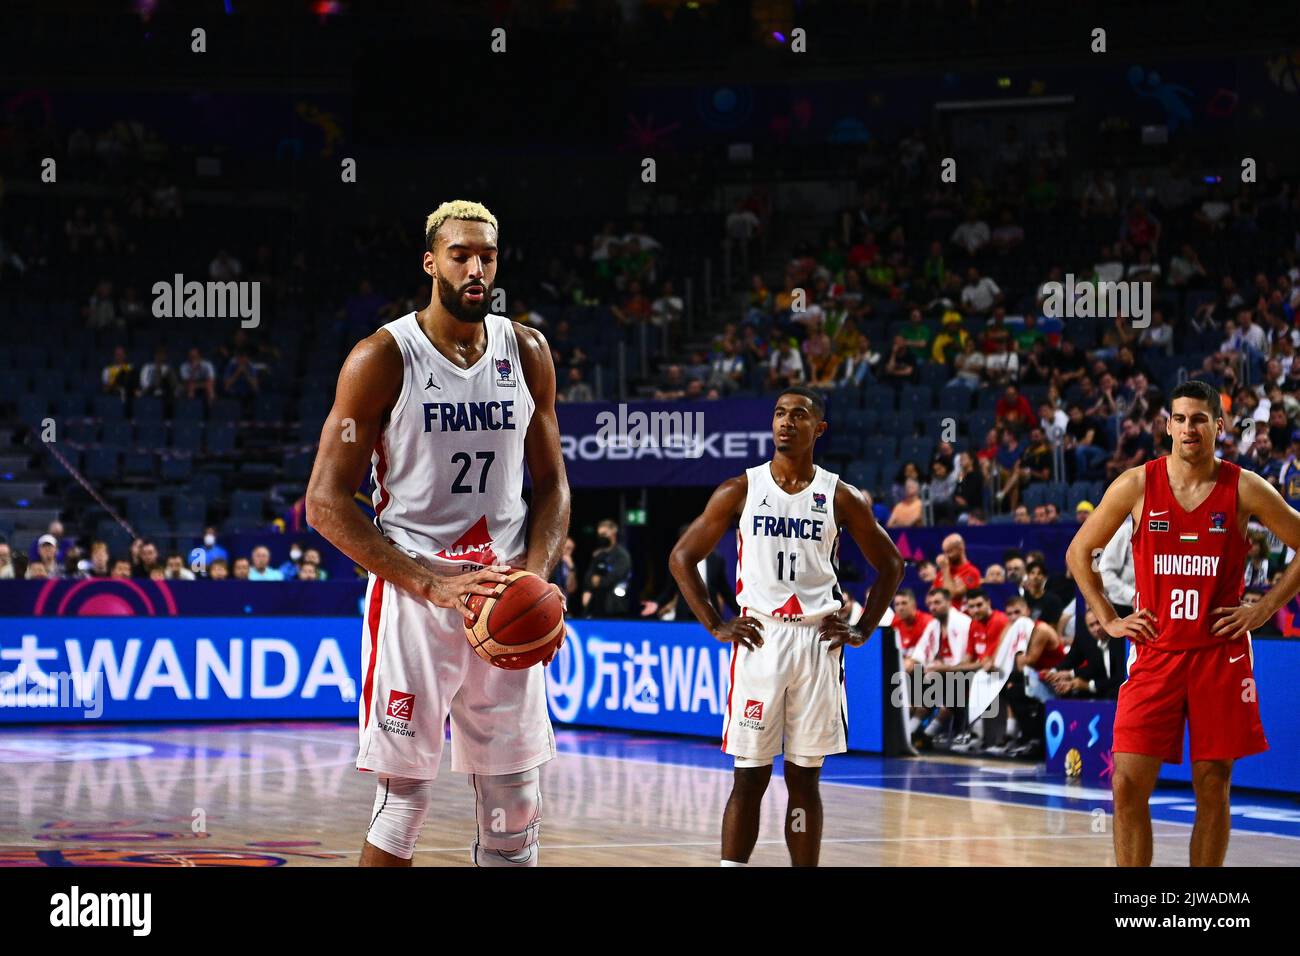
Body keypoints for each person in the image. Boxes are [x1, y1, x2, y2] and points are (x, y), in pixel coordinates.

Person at [305, 200, 571, 868]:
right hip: (415, 601)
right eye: (460, 254)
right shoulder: (381, 357)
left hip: (505, 595)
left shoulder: (528, 351)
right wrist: (432, 583)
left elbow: (554, 486)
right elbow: (324, 502)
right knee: (403, 807)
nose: (476, 267)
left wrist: (533, 574)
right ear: (431, 262)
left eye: (487, 255)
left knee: (515, 811)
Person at [668, 386, 903, 866]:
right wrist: (716, 624)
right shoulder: (741, 488)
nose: (786, 422)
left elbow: (892, 565)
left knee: (804, 779)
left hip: (817, 642)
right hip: (761, 638)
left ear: (819, 429)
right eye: (779, 413)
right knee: (749, 776)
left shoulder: (840, 495)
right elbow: (682, 558)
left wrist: (861, 630)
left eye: (799, 415)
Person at [1066, 380, 1289, 867]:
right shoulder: (1137, 483)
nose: (1190, 428)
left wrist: (1263, 609)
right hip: (1155, 652)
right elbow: (1079, 551)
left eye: (1200, 419)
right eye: (1181, 419)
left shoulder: (1243, 486)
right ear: (1167, 425)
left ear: (1219, 426)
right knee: (1126, 784)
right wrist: (1108, 618)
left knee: (1212, 786)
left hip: (1219, 655)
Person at [581, 519, 632, 617]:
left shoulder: (622, 555)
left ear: (613, 533)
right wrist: (588, 589)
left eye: (604, 534)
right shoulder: (598, 555)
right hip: (596, 606)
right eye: (599, 535)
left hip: (615, 608)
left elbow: (616, 577)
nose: (601, 537)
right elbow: (588, 577)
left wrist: (598, 581)